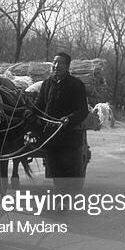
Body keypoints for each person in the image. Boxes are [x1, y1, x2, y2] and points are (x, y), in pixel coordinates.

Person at [32, 52, 91, 203]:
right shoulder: (46, 84)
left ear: (67, 66)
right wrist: (29, 112)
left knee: (67, 169)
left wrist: (69, 120)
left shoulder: (76, 85)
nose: (56, 66)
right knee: (54, 168)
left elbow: (83, 110)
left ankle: (64, 199)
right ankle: (62, 196)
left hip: (69, 137)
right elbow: (39, 106)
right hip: (50, 136)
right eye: (54, 63)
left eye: (60, 63)